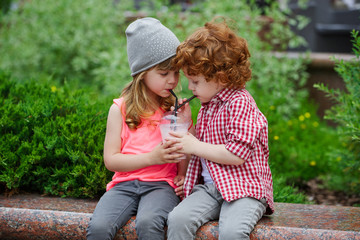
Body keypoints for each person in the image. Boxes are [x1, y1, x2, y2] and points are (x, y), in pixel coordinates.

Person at [166, 18, 274, 240]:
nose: (190, 87)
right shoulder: (208, 104)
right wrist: (189, 126)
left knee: (233, 232)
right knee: (177, 220)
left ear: (221, 77)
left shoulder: (240, 102)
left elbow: (236, 155)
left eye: (195, 81)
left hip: (244, 189)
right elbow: (201, 145)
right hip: (211, 190)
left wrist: (194, 144)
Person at [86, 17, 190, 240]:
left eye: (176, 73)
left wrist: (185, 126)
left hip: (162, 186)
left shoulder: (173, 108)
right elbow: (111, 160)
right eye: (164, 74)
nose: (172, 80)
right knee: (99, 228)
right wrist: (152, 157)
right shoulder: (120, 109)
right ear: (142, 73)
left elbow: (183, 153)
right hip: (123, 185)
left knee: (149, 223)